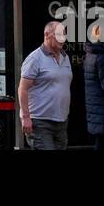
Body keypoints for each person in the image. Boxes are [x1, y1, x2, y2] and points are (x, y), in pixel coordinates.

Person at [18, 21, 73, 150]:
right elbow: (22, 89)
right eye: (58, 34)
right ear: (47, 35)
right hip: (40, 122)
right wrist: (25, 117)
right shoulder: (35, 59)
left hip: (62, 121)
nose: (62, 38)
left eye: (64, 34)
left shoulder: (65, 58)